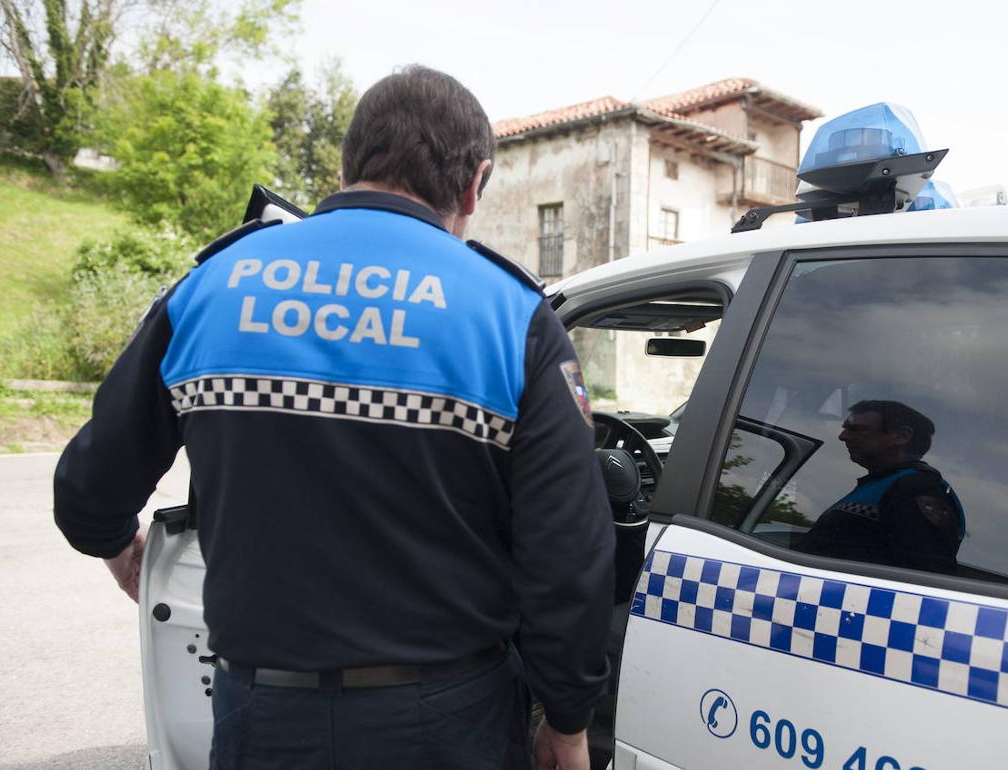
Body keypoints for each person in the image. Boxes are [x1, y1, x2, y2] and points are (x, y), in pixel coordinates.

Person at [53, 65, 614, 770]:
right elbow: (567, 556)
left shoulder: (211, 288)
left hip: (263, 716)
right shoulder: (511, 317)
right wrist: (566, 720)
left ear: (348, 166)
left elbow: (87, 489)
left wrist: (124, 554)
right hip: (446, 722)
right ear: (476, 183)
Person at [801, 400, 965, 573]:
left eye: (857, 429)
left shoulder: (917, 488)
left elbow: (924, 574)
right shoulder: (888, 483)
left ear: (902, 436)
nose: (843, 436)